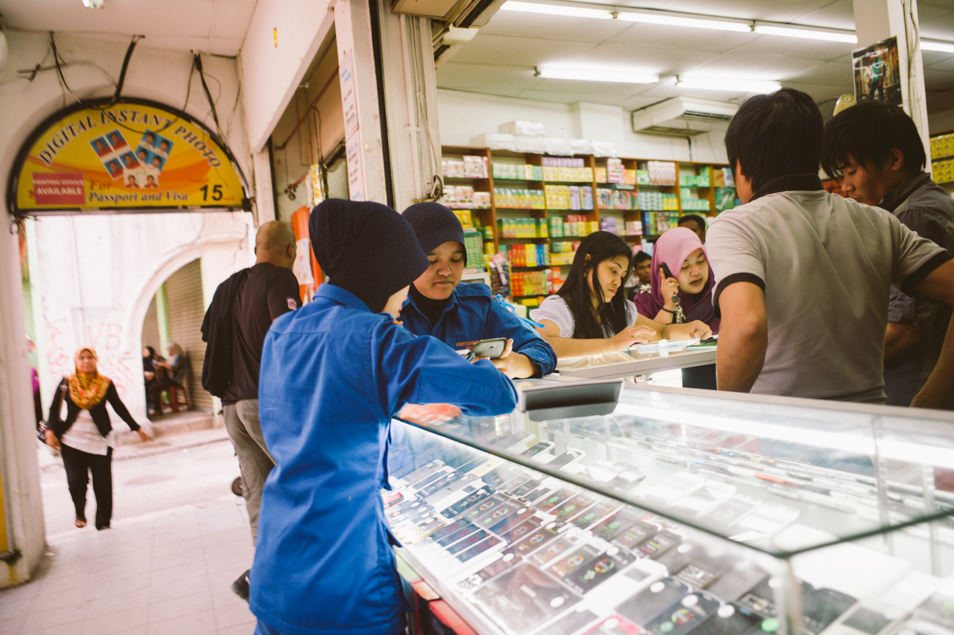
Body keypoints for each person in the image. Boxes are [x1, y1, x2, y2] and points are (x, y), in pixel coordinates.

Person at [249, 199, 518, 635]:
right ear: (384, 274)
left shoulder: (284, 330)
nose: (403, 297)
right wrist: (483, 362)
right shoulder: (376, 338)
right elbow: (496, 395)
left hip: (278, 567)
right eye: (402, 281)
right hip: (344, 580)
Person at [706, 88, 954, 402]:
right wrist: (932, 395)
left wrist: (723, 414)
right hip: (871, 421)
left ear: (741, 167)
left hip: (788, 426)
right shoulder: (879, 221)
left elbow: (747, 327)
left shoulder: (738, 225)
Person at [821, 101, 954, 407]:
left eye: (851, 171)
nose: (846, 186)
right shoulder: (934, 200)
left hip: (917, 387)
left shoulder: (913, 217)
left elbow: (905, 332)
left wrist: (830, 372)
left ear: (894, 160)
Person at [200, 220, 300, 600]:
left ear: (257, 248)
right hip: (267, 403)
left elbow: (210, 334)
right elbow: (289, 335)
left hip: (231, 406)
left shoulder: (230, 286)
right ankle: (308, 567)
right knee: (304, 479)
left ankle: (268, 576)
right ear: (290, 250)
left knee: (257, 493)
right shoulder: (280, 280)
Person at [399, 202, 556, 379]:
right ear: (408, 261)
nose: (446, 271)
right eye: (431, 260)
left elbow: (542, 350)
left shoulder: (478, 305)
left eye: (456, 259)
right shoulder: (387, 310)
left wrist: (518, 364)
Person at [531, 231, 710, 359]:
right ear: (586, 264)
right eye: (613, 271)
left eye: (623, 275)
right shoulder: (559, 307)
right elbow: (544, 345)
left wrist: (690, 329)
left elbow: (662, 331)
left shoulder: (620, 309)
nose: (618, 281)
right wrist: (612, 344)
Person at [44, 347, 149, 529]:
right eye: (82, 358)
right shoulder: (67, 382)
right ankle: (80, 513)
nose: (86, 361)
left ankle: (103, 521)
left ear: (96, 360)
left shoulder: (105, 384)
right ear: (76, 361)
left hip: (100, 441)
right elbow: (54, 409)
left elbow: (119, 407)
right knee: (76, 482)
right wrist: (50, 432)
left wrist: (137, 428)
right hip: (71, 441)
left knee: (103, 484)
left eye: (90, 357)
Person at [634, 227, 719, 332]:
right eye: (684, 267)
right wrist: (669, 306)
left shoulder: (718, 292)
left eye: (701, 261)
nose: (695, 272)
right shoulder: (647, 300)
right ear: (666, 270)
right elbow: (640, 340)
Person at [142, 346, 165, 417]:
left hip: (156, 380)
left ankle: (157, 410)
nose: (144, 352)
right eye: (144, 351)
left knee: (153, 389)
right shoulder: (142, 360)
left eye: (146, 351)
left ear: (150, 352)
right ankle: (148, 411)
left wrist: (152, 374)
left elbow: (158, 371)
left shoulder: (154, 360)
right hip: (146, 381)